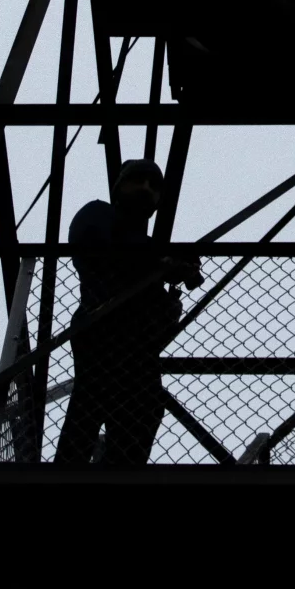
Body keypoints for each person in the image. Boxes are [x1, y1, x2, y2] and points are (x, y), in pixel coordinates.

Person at [55, 159, 197, 467]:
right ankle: (69, 477)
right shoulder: (97, 214)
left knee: (142, 410)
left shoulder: (144, 248)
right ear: (118, 187)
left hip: (133, 346)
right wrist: (163, 263)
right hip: (102, 329)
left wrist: (167, 283)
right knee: (91, 410)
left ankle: (111, 475)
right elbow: (104, 250)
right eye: (138, 180)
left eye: (154, 185)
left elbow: (134, 264)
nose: (146, 188)